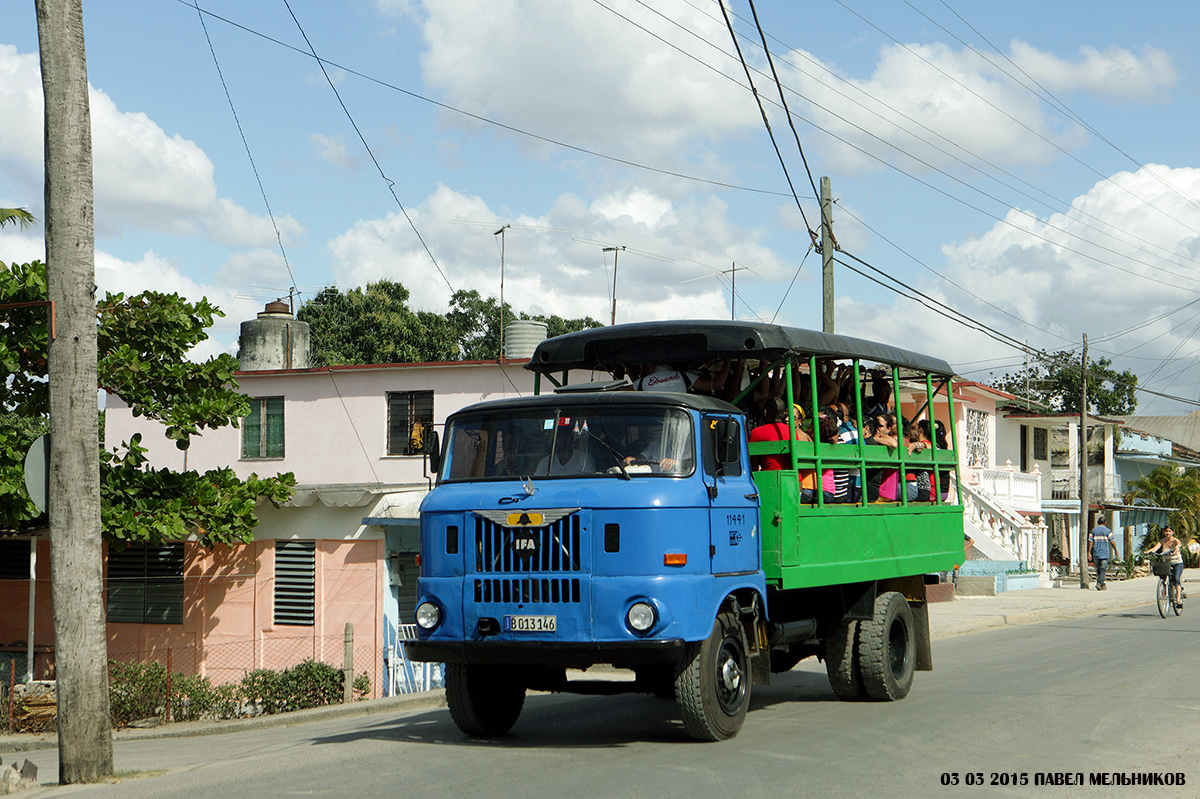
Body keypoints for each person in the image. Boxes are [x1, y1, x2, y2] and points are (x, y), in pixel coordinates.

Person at [1145, 525, 1184, 608]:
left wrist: (1175, 551)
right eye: (1166, 531)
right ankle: (1164, 592)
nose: (1168, 533)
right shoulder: (1162, 541)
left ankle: (1178, 600)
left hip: (1177, 562)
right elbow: (1155, 548)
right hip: (1166, 563)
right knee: (1163, 577)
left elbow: (1178, 546)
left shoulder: (1175, 541)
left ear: (1172, 532)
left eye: (1169, 531)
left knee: (1176, 579)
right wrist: (1148, 552)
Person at [1087, 514, 1117, 590]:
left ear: (1098, 522)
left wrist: (1089, 552)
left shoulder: (1093, 531)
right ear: (1105, 522)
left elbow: (1090, 542)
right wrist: (1115, 551)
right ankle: (1099, 583)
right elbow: (1112, 542)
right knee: (1103, 569)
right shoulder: (1108, 531)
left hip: (1096, 553)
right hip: (1104, 553)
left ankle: (1102, 584)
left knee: (1099, 569)